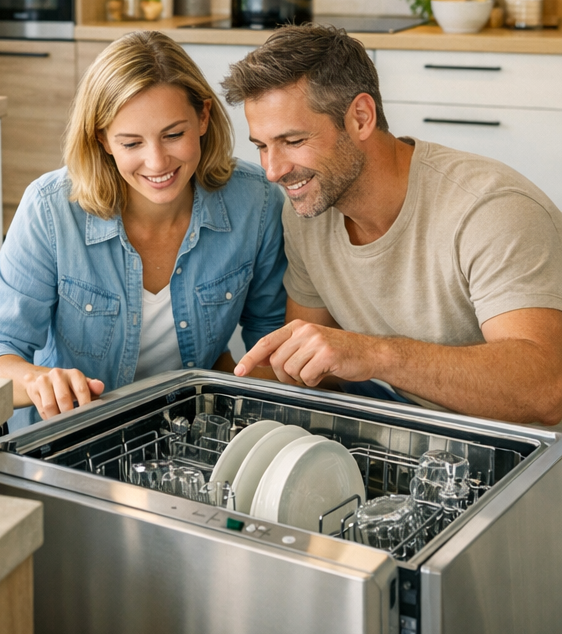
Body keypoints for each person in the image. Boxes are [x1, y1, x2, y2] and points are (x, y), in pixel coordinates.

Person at [221, 24, 562, 424]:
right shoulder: (308, 211)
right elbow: (311, 375)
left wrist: (372, 354)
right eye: (261, 146)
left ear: (361, 118)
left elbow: (545, 391)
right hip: (408, 429)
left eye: (293, 142)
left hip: (531, 457)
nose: (273, 171)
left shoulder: (490, 210)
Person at [0, 31, 287, 424]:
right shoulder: (51, 208)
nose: (157, 161)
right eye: (131, 144)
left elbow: (272, 340)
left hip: (189, 435)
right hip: (73, 437)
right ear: (103, 139)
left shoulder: (256, 201)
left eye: (173, 135)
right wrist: (37, 380)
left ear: (203, 116)